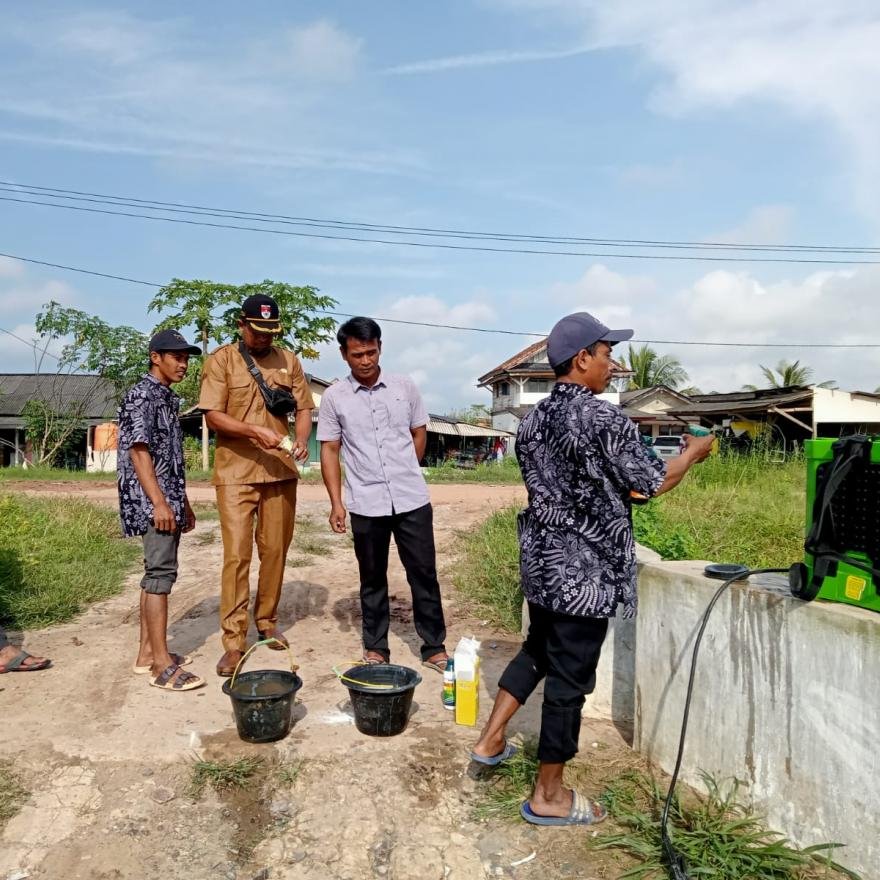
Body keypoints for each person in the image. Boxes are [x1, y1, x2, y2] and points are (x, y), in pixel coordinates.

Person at [469, 311, 714, 825]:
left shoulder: (531, 421)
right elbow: (647, 484)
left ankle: (491, 740)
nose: (612, 363)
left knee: (538, 649)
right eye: (606, 353)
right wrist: (690, 455)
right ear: (582, 359)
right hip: (585, 575)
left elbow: (586, 482)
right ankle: (548, 795)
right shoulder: (605, 420)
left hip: (543, 563)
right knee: (569, 681)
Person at [317, 317, 449, 672]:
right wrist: (336, 503)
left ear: (380, 348)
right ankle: (376, 647)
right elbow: (330, 449)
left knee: (423, 572)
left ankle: (434, 645)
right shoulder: (334, 397)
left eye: (371, 352)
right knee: (372, 578)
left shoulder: (404, 388)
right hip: (365, 503)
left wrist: (404, 469)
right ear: (344, 355)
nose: (366, 361)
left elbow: (418, 434)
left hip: (411, 499)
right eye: (357, 354)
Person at [198, 294, 314, 677]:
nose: (264, 338)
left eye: (270, 332)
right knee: (237, 556)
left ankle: (266, 621)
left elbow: (303, 408)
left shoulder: (289, 360)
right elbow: (213, 416)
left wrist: (299, 439)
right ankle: (234, 641)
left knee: (276, 551)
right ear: (241, 325)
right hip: (236, 473)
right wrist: (252, 431)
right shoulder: (221, 361)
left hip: (280, 470)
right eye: (257, 331)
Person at [117, 329, 205, 691]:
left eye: (186, 358)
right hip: (152, 502)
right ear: (156, 357)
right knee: (160, 577)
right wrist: (159, 503)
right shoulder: (141, 396)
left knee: (156, 574)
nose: (183, 363)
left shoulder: (165, 397)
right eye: (176, 357)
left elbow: (168, 455)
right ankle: (161, 665)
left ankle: (146, 655)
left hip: (166, 499)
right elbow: (138, 452)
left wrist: (181, 500)